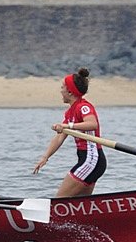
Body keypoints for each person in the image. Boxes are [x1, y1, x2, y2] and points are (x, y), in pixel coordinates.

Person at [32, 67, 105, 198]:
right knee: (79, 205)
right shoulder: (70, 112)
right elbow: (60, 137)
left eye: (62, 88)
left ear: (70, 92)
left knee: (59, 201)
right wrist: (45, 157)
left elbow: (92, 124)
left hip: (91, 160)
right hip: (89, 160)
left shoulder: (83, 107)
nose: (60, 91)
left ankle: (52, 217)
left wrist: (68, 126)